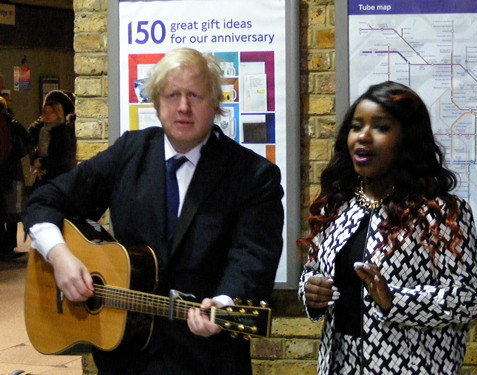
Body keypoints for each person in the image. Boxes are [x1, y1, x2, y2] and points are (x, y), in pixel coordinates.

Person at [23, 48, 284, 375]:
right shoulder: (130, 152)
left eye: (195, 95)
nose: (183, 107)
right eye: (172, 95)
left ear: (216, 104)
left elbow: (253, 255)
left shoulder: (253, 175)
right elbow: (45, 200)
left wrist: (225, 302)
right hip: (125, 358)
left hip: (206, 358)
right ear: (158, 103)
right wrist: (59, 255)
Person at [297, 81, 477, 375]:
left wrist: (394, 299)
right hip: (339, 364)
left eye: (381, 128)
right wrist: (310, 291)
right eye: (357, 126)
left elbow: (466, 301)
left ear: (407, 139)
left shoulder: (443, 214)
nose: (363, 137)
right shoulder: (337, 205)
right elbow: (312, 270)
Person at [0, 96, 32, 259]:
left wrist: (16, 151)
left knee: (11, 209)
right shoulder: (13, 125)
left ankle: (8, 244)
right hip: (11, 172)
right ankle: (7, 244)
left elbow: (27, 143)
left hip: (10, 172)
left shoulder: (12, 126)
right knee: (11, 209)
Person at [28, 89, 76, 189]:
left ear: (59, 113)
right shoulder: (42, 131)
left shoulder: (62, 132)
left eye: (52, 112)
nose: (47, 115)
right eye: (45, 112)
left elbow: (61, 157)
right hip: (43, 175)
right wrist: (35, 160)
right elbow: (35, 149)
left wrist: (42, 162)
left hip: (57, 177)